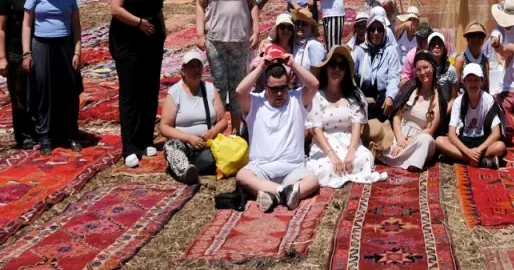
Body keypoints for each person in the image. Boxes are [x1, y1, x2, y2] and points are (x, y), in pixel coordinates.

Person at [235, 51, 321, 212]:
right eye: (274, 89)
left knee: (313, 180)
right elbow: (239, 91)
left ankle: (272, 195)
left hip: (293, 169)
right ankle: (283, 192)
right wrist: (261, 67)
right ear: (265, 87)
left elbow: (314, 84)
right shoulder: (255, 103)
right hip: (261, 169)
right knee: (242, 176)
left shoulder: (296, 99)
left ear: (288, 85)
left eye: (283, 88)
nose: (279, 93)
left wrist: (293, 65)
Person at [110, 0, 166, 168]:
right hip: (128, 44)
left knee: (149, 91)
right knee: (130, 94)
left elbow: (157, 9)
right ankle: (130, 146)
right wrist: (139, 23)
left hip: (151, 44)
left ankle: (145, 140)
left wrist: (163, 31)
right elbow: (116, 9)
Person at [195, 0, 262, 122]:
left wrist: (256, 30)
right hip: (215, 40)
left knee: (238, 86)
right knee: (219, 84)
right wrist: (200, 34)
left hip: (240, 39)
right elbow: (200, 4)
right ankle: (218, 125)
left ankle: (236, 128)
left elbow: (253, 3)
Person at [23, 0, 83, 154]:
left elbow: (76, 24)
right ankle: (45, 137)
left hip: (65, 45)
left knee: (68, 91)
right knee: (43, 91)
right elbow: (27, 25)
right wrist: (26, 53)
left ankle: (71, 134)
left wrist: (77, 51)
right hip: (41, 45)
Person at [307, 45, 386, 188]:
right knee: (324, 168)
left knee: (364, 158)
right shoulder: (317, 96)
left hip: (349, 141)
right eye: (333, 64)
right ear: (326, 68)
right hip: (325, 144)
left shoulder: (353, 95)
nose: (337, 69)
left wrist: (351, 151)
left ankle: (344, 171)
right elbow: (316, 130)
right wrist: (332, 155)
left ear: (345, 72)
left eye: (341, 66)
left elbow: (356, 126)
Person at [160, 49, 228, 184]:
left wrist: (212, 132)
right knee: (171, 146)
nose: (196, 69)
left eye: (198, 66)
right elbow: (164, 127)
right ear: (183, 71)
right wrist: (189, 138)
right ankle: (186, 171)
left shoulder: (209, 89)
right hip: (184, 143)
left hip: (207, 144)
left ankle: (191, 166)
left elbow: (223, 120)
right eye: (192, 66)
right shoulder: (175, 92)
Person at [0, 0, 35, 148]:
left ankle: (41, 128)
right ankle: (24, 135)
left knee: (40, 90)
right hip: (15, 50)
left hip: (39, 45)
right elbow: (0, 28)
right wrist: (2, 57)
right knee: (19, 93)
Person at [437, 63, 507, 168]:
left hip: (483, 141)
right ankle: (481, 161)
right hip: (464, 139)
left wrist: (478, 150)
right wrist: (468, 152)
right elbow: (451, 134)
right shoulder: (458, 101)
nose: (473, 84)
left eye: (476, 80)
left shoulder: (489, 100)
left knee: (500, 146)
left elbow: (496, 133)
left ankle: (459, 157)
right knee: (439, 141)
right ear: (464, 82)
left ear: (482, 81)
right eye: (469, 80)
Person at [384, 51, 443, 170]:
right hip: (400, 134)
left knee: (426, 140)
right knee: (381, 138)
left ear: (433, 68)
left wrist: (408, 142)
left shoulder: (438, 96)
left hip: (418, 139)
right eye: (418, 69)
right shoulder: (410, 87)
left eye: (426, 67)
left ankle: (411, 162)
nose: (422, 72)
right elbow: (396, 117)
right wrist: (400, 139)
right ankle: (404, 158)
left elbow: (430, 129)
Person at [354, 8, 401, 123]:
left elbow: (394, 76)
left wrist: (390, 96)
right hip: (362, 97)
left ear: (384, 32)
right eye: (372, 29)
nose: (376, 33)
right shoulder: (360, 50)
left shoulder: (390, 51)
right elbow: (349, 67)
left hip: (382, 98)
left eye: (379, 29)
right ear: (368, 32)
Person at [290, 7, 327, 73]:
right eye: (297, 23)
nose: (300, 26)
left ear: (311, 27)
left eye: (304, 24)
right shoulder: (294, 42)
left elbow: (316, 74)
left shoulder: (315, 46)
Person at [427, 31, 460, 103]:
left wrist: (445, 110)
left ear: (444, 48)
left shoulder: (451, 70)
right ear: (429, 48)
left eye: (439, 44)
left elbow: (453, 98)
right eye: (433, 44)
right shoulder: (424, 69)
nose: (437, 46)